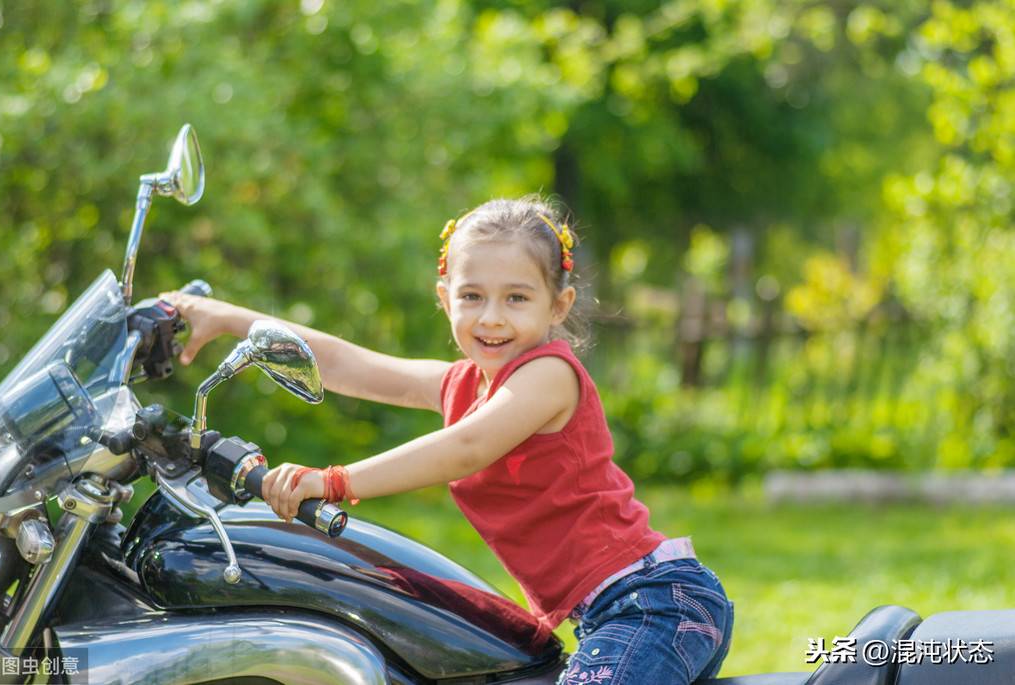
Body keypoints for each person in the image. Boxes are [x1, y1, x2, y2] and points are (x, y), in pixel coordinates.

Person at [163, 196, 734, 684]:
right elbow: (346, 363)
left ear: (558, 305)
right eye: (471, 297)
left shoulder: (548, 375)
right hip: (612, 614)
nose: (491, 318)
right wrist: (227, 318)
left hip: (652, 605)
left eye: (516, 298)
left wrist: (333, 481)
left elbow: (466, 449)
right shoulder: (462, 383)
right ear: (445, 297)